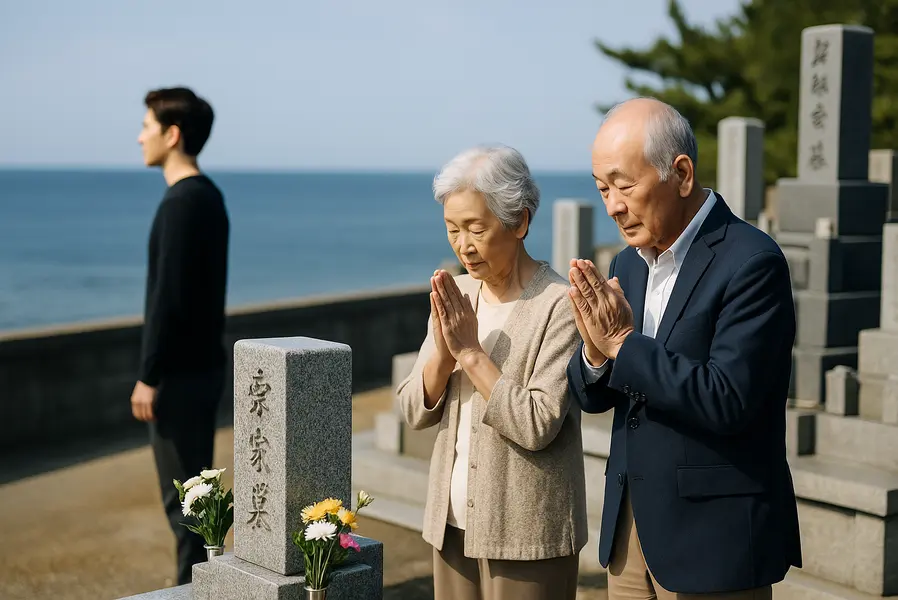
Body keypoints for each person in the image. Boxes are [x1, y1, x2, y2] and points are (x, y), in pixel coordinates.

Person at [566, 97, 801, 599]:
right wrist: (594, 354)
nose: (612, 206)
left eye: (624, 185)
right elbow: (594, 396)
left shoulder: (752, 262)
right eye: (603, 188)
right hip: (629, 529)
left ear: (682, 174)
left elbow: (728, 398)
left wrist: (621, 345)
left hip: (712, 537)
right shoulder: (628, 264)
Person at [397, 145, 588, 600]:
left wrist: (470, 353)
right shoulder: (458, 292)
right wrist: (443, 357)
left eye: (476, 228)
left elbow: (538, 423)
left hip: (528, 533)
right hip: (451, 524)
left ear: (519, 222)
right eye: (452, 229)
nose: (463, 245)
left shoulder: (559, 305)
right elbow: (412, 409)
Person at [132, 87, 230, 585]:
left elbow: (166, 299)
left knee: (186, 506)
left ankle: (193, 592)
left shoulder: (180, 203)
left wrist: (149, 375)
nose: (140, 137)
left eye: (146, 126)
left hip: (178, 378)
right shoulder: (207, 196)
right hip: (203, 368)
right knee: (197, 501)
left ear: (172, 135)